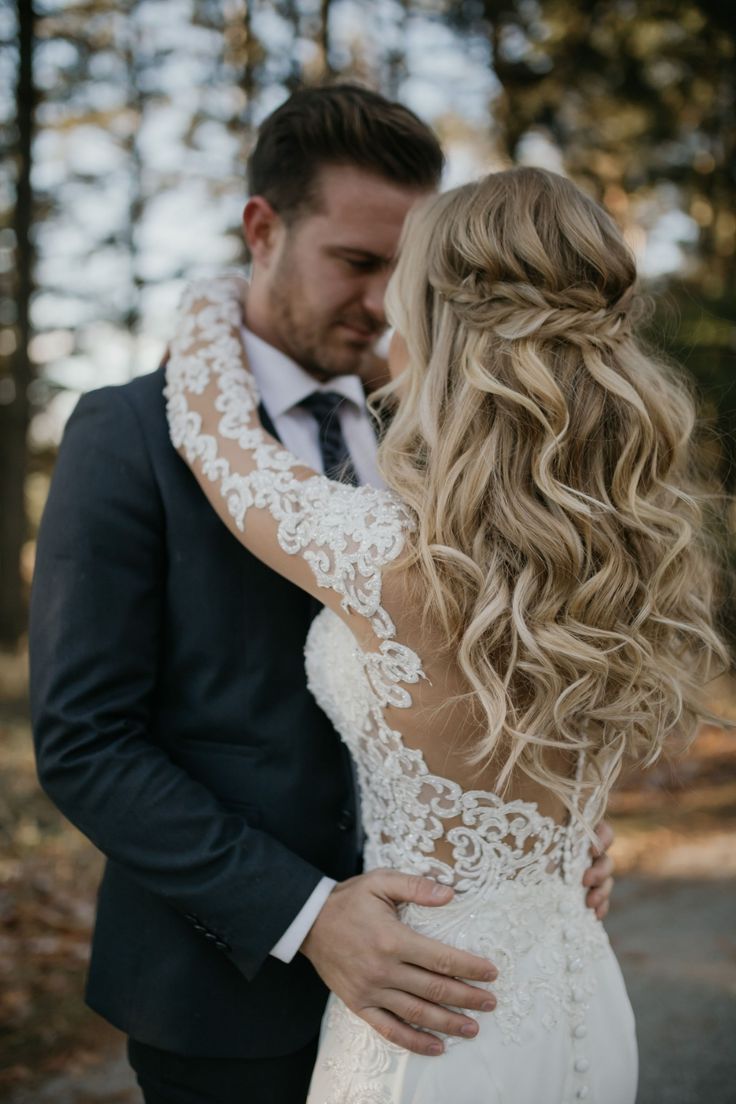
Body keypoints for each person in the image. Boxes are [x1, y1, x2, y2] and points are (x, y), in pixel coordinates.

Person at [30, 87, 615, 1104]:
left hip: (456, 1004)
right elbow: (86, 739)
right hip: (228, 997)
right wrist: (304, 912)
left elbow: (502, 667)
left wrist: (552, 825)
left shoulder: (449, 435)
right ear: (262, 230)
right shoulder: (126, 434)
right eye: (355, 261)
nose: (388, 302)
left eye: (406, 269)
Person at [165, 166, 729, 1104]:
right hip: (580, 991)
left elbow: (211, 427)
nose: (383, 310)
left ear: (440, 324)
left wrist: (219, 287)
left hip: (432, 1030)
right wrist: (572, 844)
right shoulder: (628, 542)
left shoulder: (383, 551)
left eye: (405, 290)